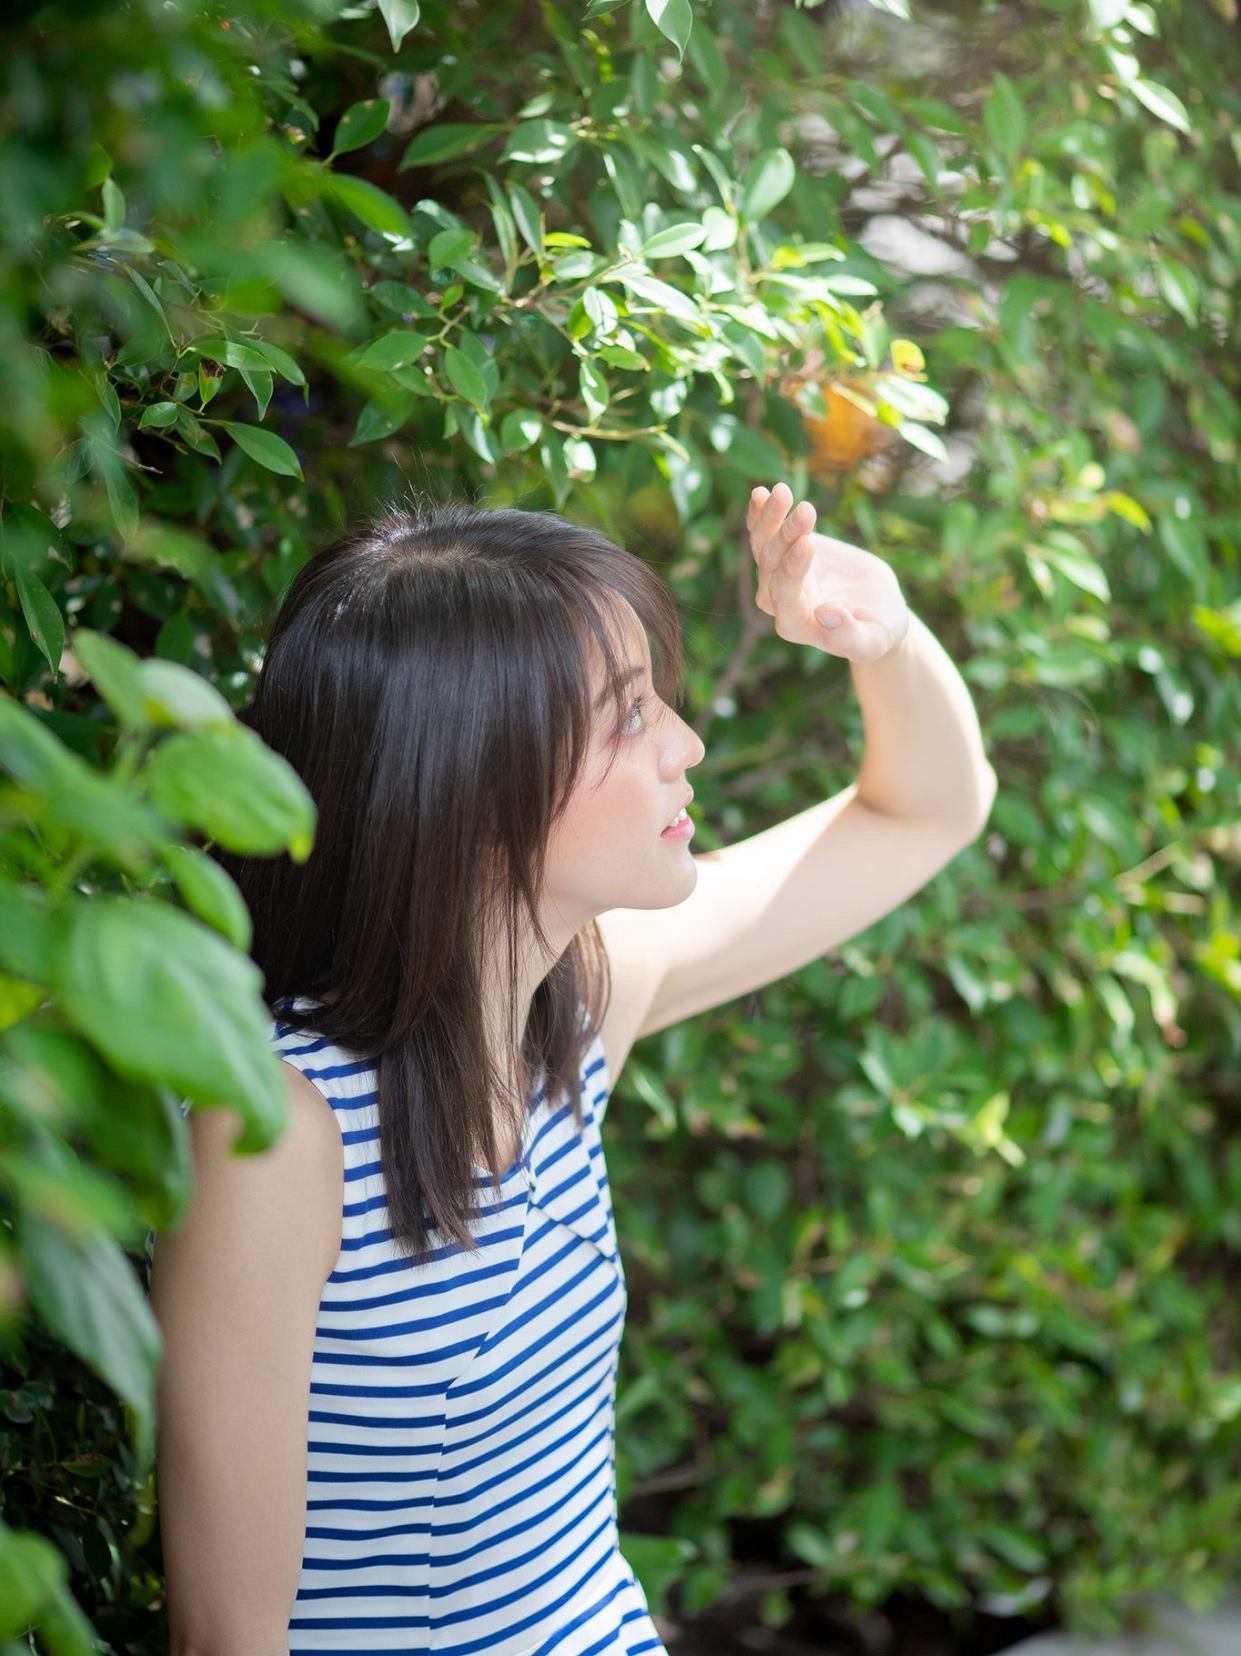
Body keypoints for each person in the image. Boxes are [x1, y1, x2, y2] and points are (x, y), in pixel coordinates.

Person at [145, 484, 994, 1654]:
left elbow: (924, 813)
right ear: (475, 784)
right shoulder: (282, 1138)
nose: (685, 746)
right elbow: (227, 1638)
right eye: (629, 717)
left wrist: (887, 636)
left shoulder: (575, 1007)